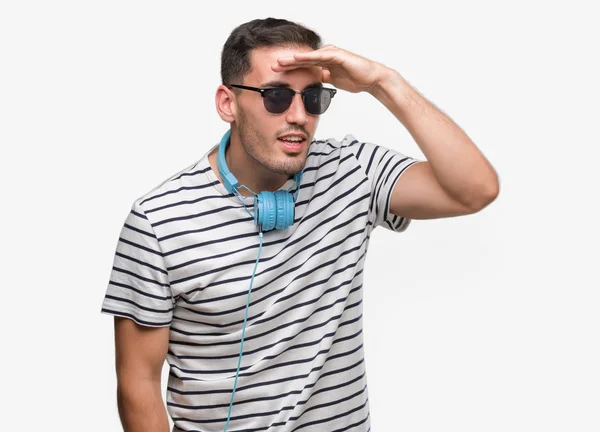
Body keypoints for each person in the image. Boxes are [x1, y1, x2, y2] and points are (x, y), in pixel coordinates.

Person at [101, 17, 499, 432]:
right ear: (228, 103)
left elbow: (475, 189)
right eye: (276, 96)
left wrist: (384, 82)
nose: (298, 116)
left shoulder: (354, 171)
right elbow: (137, 382)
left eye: (312, 98)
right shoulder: (159, 219)